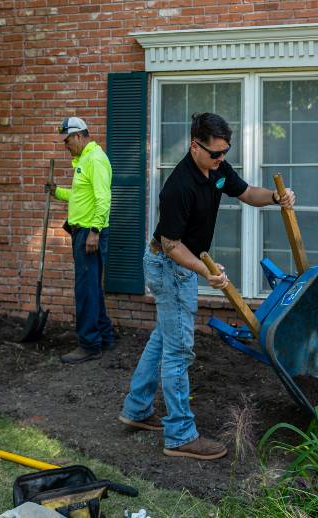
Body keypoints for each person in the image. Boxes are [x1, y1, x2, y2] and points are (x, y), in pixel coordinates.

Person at [118, 112, 295, 460]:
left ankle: (137, 409)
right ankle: (180, 434)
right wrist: (205, 271)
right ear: (194, 146)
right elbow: (171, 245)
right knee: (179, 350)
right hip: (169, 266)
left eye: (225, 152)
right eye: (215, 154)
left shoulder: (217, 171)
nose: (221, 160)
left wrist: (276, 198)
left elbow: (246, 193)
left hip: (182, 264)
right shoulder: (177, 187)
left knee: (164, 338)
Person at [50, 117, 115, 364]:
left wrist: (95, 231)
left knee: (85, 291)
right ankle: (105, 337)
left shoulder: (95, 159)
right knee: (92, 288)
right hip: (83, 231)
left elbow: (103, 199)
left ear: (79, 135)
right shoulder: (85, 160)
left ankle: (89, 344)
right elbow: (81, 196)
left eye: (67, 140)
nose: (65, 145)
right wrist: (56, 192)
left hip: (90, 233)